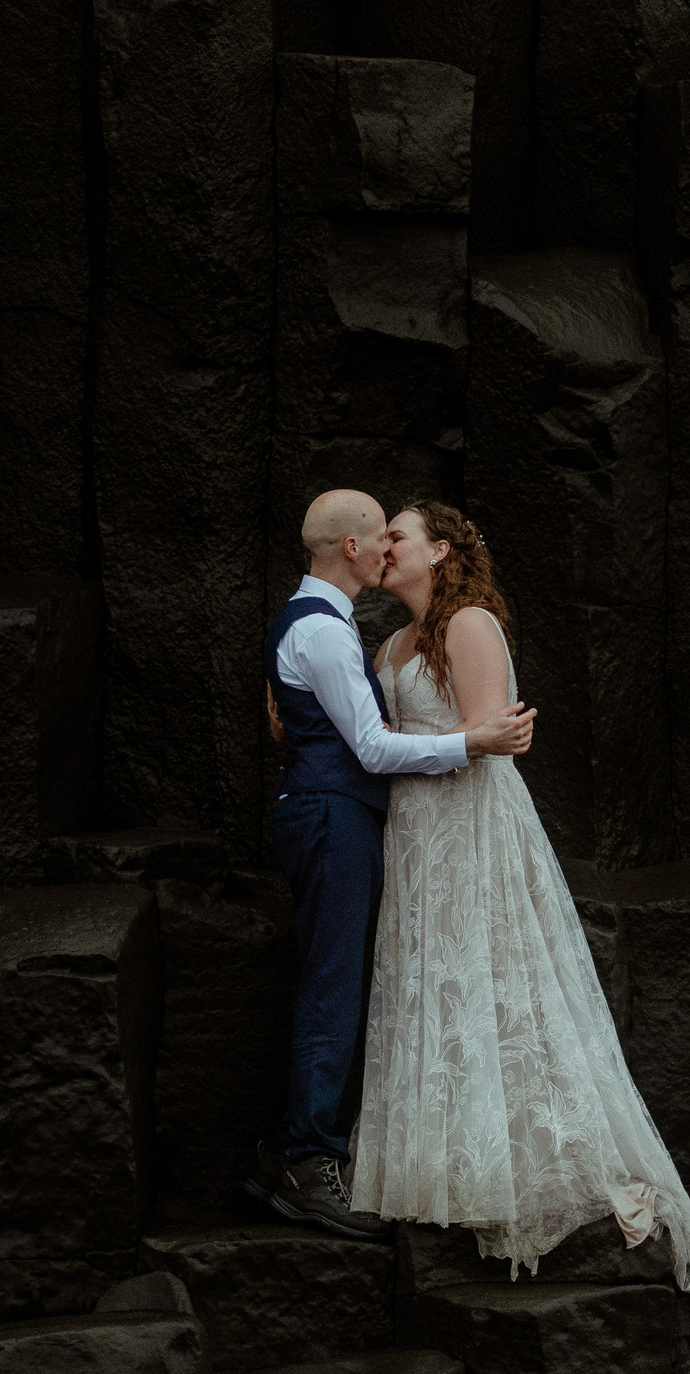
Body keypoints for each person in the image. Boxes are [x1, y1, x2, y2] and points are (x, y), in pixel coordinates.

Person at [354, 500, 690, 1293]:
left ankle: (530, 1168)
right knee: (429, 985)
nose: (387, 547)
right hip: (413, 835)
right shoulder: (392, 643)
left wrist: (403, 751)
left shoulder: (467, 624)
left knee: (490, 982)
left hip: (468, 826)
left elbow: (485, 737)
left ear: (439, 549)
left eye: (399, 534)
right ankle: (447, 1168)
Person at [247, 489, 538, 1241]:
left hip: (380, 819)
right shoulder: (325, 630)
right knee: (335, 983)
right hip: (338, 814)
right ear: (354, 547)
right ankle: (307, 1159)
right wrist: (469, 742)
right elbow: (373, 746)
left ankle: (298, 1149)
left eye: (398, 536)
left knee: (345, 979)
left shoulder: (338, 628)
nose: (386, 549)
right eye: (382, 536)